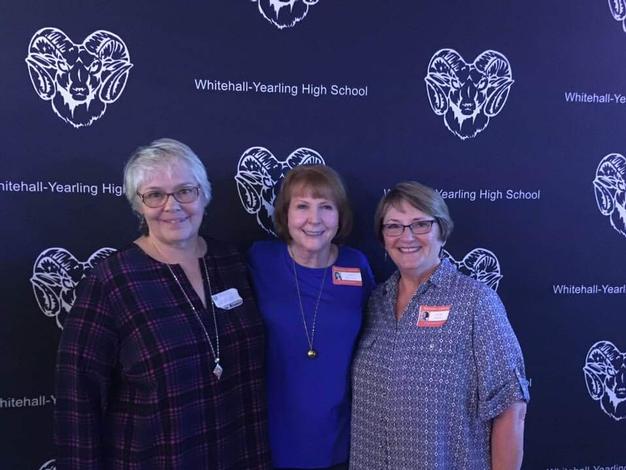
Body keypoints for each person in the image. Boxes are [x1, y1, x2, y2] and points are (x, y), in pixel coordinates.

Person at [54, 138, 271, 469]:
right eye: (155, 195)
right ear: (138, 205)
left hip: (239, 454)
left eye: (185, 191)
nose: (172, 206)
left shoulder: (231, 262)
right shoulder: (111, 281)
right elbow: (78, 399)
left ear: (203, 195)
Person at [350, 181, 530, 470]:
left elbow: (510, 407)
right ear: (383, 238)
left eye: (421, 224)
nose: (407, 236)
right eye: (393, 226)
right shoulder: (374, 303)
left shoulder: (476, 302)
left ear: (442, 232)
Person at [248, 165, 375, 470]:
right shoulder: (260, 259)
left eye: (326, 207)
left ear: (340, 216)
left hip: (340, 438)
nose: (314, 219)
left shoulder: (356, 265)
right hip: (270, 436)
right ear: (285, 214)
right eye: (302, 206)